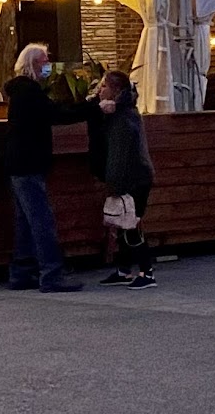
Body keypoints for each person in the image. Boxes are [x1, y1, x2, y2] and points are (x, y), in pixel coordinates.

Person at [4, 42, 90, 293]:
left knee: (25, 221)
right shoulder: (30, 93)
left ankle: (21, 272)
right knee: (41, 221)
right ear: (32, 64)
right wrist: (91, 107)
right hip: (29, 162)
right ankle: (51, 273)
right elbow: (57, 114)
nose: (48, 65)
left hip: (18, 162)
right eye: (44, 61)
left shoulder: (20, 92)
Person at [88, 71, 157, 290]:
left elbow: (120, 154)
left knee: (131, 224)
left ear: (116, 90)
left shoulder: (122, 118)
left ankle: (147, 272)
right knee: (122, 224)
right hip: (136, 176)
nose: (100, 90)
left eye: (104, 86)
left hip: (133, 178)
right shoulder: (121, 112)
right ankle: (124, 269)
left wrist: (115, 184)